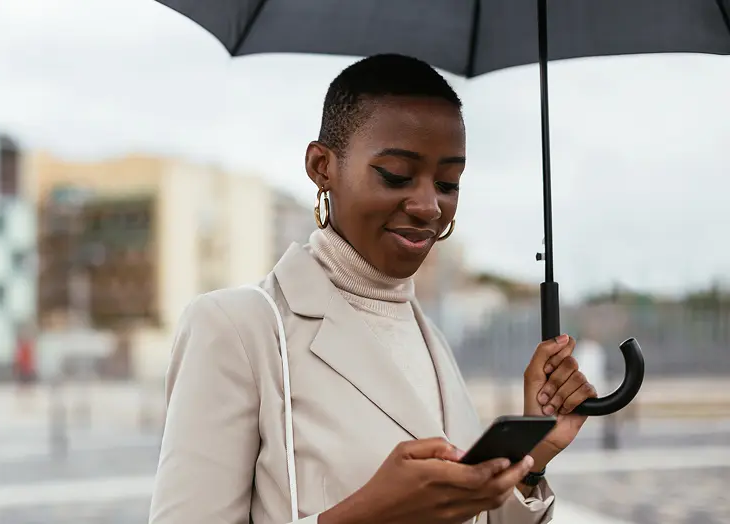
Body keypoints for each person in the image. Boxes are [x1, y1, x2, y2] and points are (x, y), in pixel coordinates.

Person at [148, 54, 596, 524]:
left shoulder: (429, 339)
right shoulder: (238, 328)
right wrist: (372, 513)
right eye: (397, 175)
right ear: (322, 166)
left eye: (448, 182)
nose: (429, 206)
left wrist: (529, 462)